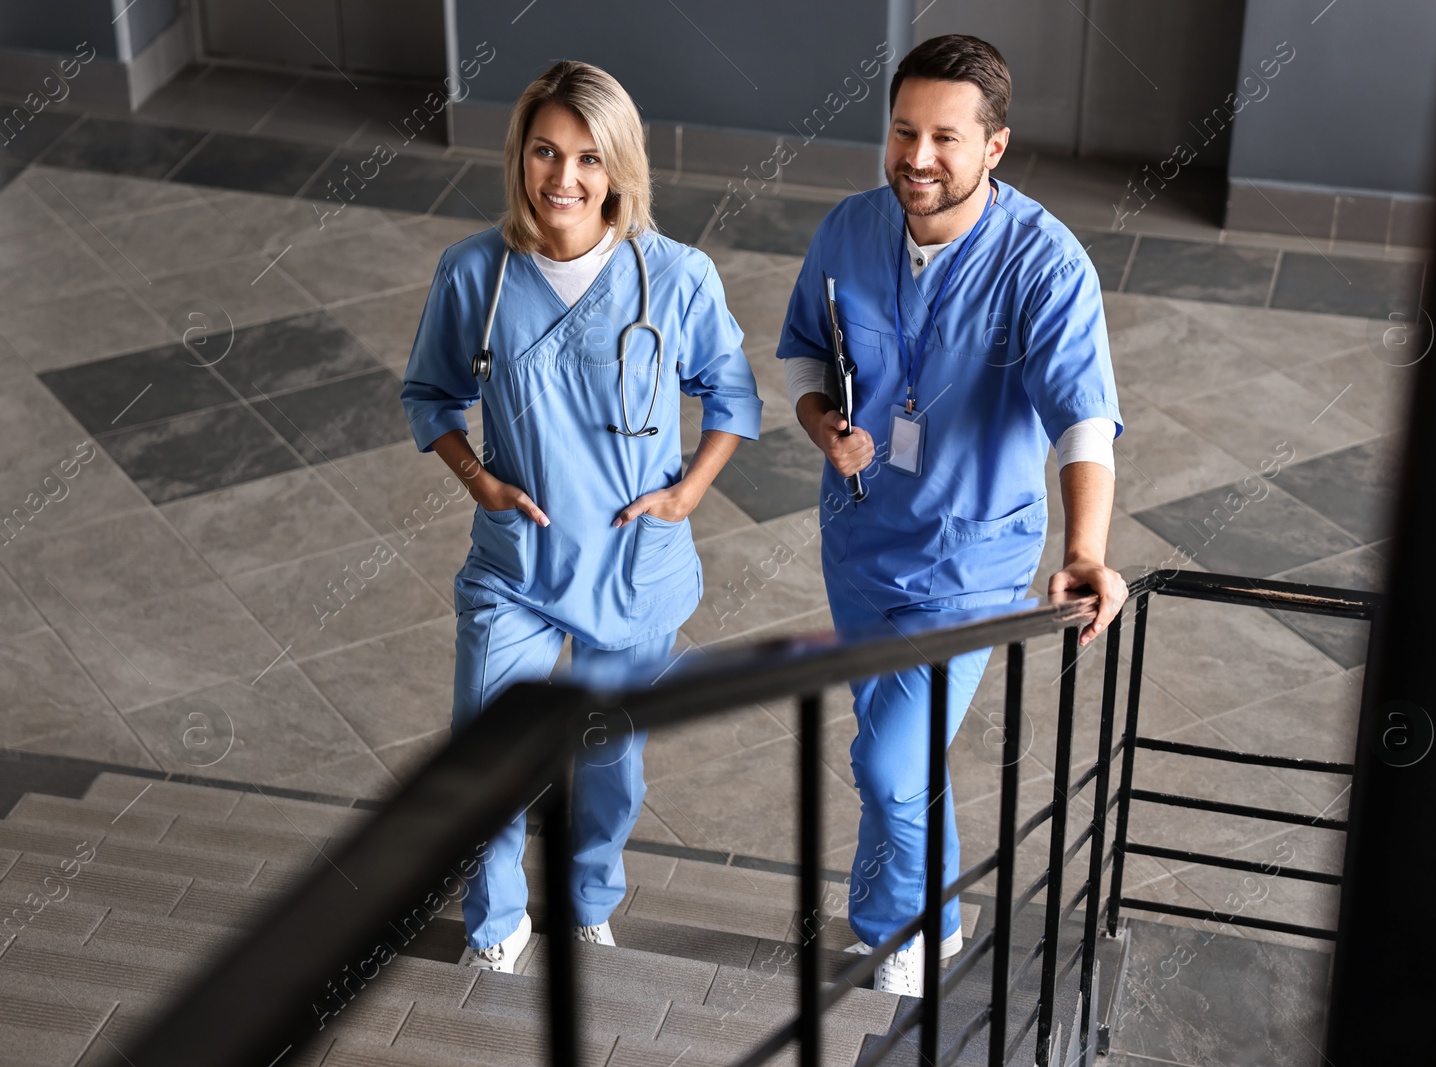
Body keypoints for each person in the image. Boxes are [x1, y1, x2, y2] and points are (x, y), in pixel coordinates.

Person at [775, 34, 1128, 997]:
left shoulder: (1046, 263)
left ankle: (920, 928)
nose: (917, 158)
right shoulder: (849, 230)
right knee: (893, 741)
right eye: (901, 132)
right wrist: (821, 424)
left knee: (889, 761)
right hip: (858, 537)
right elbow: (807, 348)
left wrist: (1086, 548)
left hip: (967, 558)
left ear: (994, 147)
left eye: (943, 138)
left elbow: (1081, 417)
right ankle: (897, 911)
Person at [401, 60, 762, 973]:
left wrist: (687, 493)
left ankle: (588, 894)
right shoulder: (476, 273)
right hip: (516, 564)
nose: (564, 179)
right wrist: (478, 478)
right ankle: (496, 922)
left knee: (608, 766)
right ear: (520, 155)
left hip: (630, 565)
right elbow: (429, 394)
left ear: (620, 169)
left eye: (589, 159)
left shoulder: (674, 275)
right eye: (545, 152)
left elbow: (732, 392)